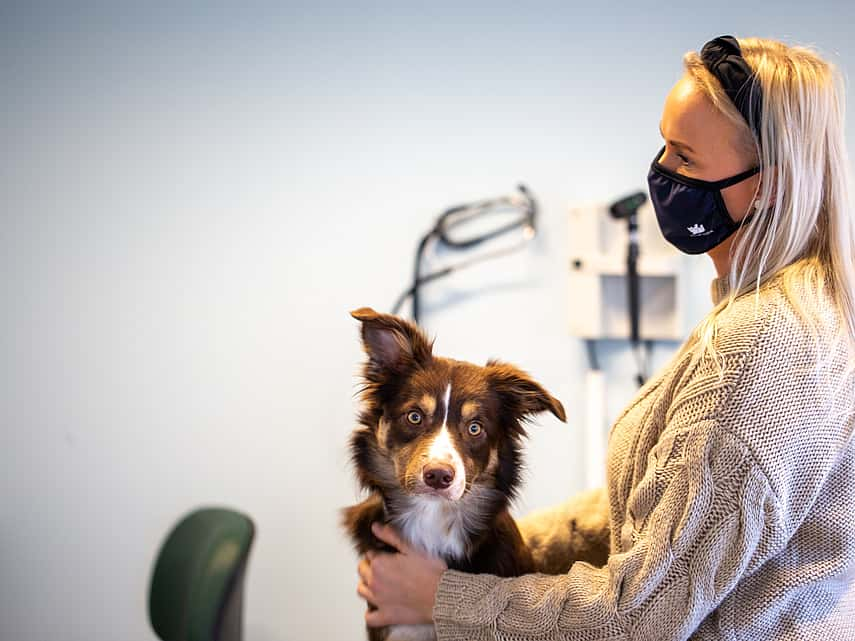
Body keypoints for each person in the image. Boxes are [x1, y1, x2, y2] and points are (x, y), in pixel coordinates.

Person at [355, 34, 855, 640]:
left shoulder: (760, 348)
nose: (662, 174)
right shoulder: (798, 312)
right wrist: (492, 543)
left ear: (768, 185)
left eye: (686, 157)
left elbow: (639, 615)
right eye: (663, 147)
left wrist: (445, 596)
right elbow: (668, 518)